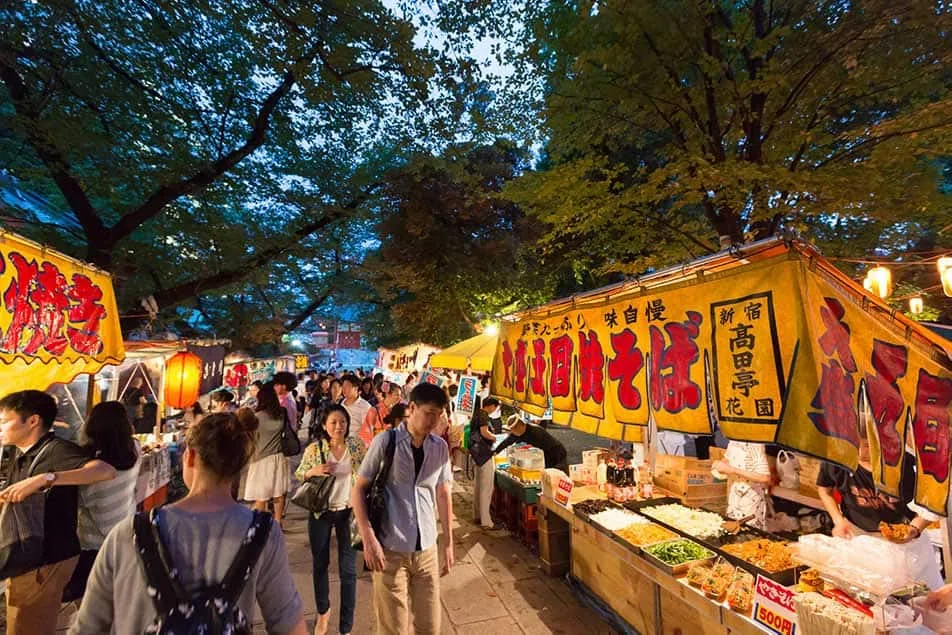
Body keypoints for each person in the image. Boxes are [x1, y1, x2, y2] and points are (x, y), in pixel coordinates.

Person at [70, 411, 306, 634]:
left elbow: (88, 627)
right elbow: (289, 624)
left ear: (190, 456)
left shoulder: (127, 533)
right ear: (240, 465)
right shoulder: (263, 533)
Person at [0, 390, 117, 634]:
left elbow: (105, 471)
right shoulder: (18, 451)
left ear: (32, 421)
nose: (0, 427)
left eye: (4, 421)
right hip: (27, 552)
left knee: (26, 628)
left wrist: (47, 478)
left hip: (47, 556)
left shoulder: (56, 449)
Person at [352, 383, 454, 635]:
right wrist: (368, 537)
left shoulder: (439, 447)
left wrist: (449, 542)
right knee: (393, 627)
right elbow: (358, 489)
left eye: (439, 414)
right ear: (412, 408)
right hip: (390, 548)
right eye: (429, 412)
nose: (434, 420)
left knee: (430, 626)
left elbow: (443, 492)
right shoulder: (386, 442)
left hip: (427, 547)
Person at [816, 438, 942, 589]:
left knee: (925, 602)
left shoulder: (909, 462)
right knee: (868, 601)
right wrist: (838, 520)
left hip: (909, 546)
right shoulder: (838, 458)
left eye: (870, 444)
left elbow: (933, 504)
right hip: (859, 542)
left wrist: (914, 529)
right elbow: (824, 490)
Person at [296, 405, 366, 635]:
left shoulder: (356, 446)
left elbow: (367, 471)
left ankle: (346, 626)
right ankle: (323, 613)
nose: (339, 426)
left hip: (348, 512)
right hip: (321, 513)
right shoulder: (315, 449)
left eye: (343, 422)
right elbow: (299, 473)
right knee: (320, 564)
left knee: (348, 571)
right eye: (334, 422)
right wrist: (313, 471)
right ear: (325, 425)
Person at [64, 401, 141, 601]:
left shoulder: (85, 463)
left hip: (93, 544)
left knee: (91, 601)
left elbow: (78, 498)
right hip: (124, 532)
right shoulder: (134, 449)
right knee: (114, 596)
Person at [243, 385, 290, 529]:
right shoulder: (281, 414)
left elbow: (250, 438)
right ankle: (277, 522)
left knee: (261, 496)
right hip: (278, 458)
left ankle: (258, 524)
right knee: (278, 493)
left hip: (260, 459)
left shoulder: (256, 418)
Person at [711, 441, 772, 530]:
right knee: (731, 529)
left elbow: (764, 477)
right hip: (734, 496)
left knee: (749, 533)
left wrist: (733, 470)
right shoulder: (733, 440)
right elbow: (728, 458)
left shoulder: (755, 444)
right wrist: (720, 464)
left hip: (750, 500)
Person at [470, 398, 503, 530]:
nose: (495, 410)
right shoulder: (483, 415)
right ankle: (486, 522)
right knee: (486, 487)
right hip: (484, 454)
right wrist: (496, 438)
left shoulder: (476, 413)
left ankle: (477, 515)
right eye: (496, 407)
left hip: (477, 454)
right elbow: (484, 432)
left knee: (479, 485)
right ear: (491, 406)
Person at [493, 417, 568, 473]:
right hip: (545, 455)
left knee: (558, 475)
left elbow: (536, 452)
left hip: (556, 452)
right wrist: (496, 452)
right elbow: (506, 442)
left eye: (514, 430)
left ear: (521, 426)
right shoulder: (517, 433)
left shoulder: (535, 431)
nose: (513, 433)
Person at [359, 383, 403, 447]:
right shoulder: (374, 410)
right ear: (388, 394)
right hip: (377, 447)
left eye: (400, 395)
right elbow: (366, 434)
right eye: (397, 395)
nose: (400, 398)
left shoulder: (397, 411)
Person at [340, 374, 371, 439]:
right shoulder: (341, 403)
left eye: (347, 386)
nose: (344, 389)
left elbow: (368, 430)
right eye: (343, 386)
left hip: (356, 443)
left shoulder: (365, 406)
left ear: (356, 388)